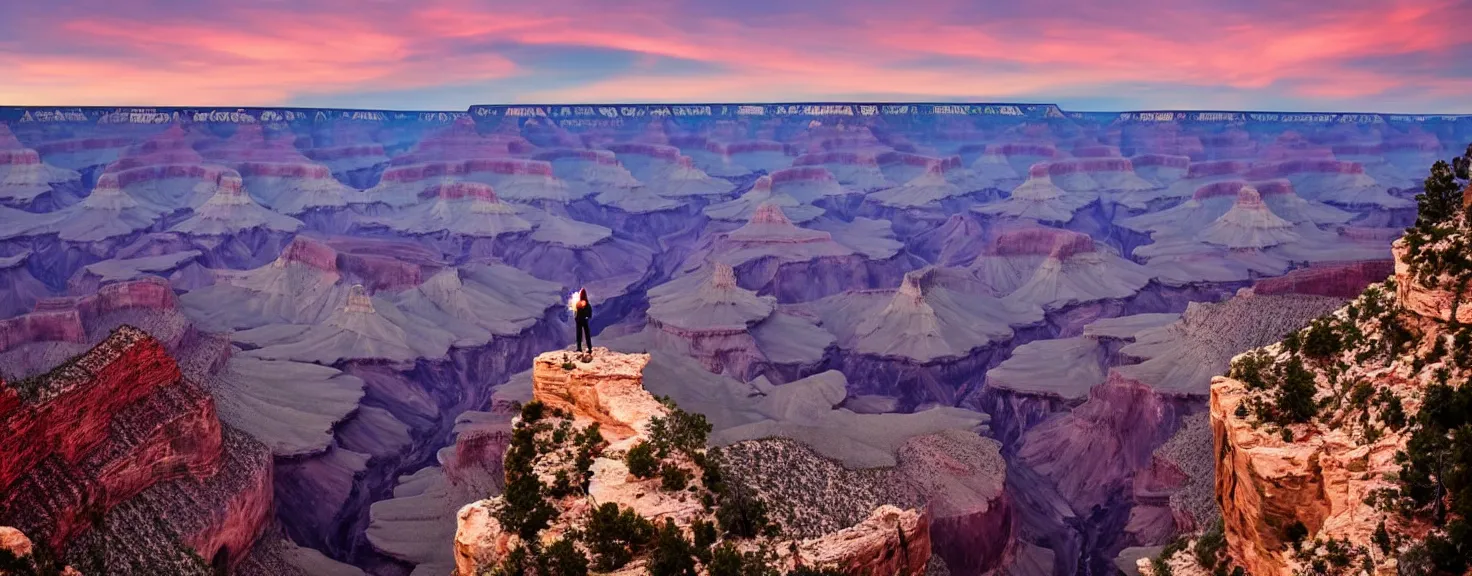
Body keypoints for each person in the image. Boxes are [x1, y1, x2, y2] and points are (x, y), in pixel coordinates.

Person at [575, 288, 593, 353]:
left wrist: (576, 318)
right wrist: (587, 318)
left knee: (579, 335)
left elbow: (576, 311)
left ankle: (579, 348)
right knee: (587, 334)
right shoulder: (588, 304)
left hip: (579, 320)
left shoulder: (578, 303)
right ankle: (589, 348)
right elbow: (590, 313)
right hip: (585, 321)